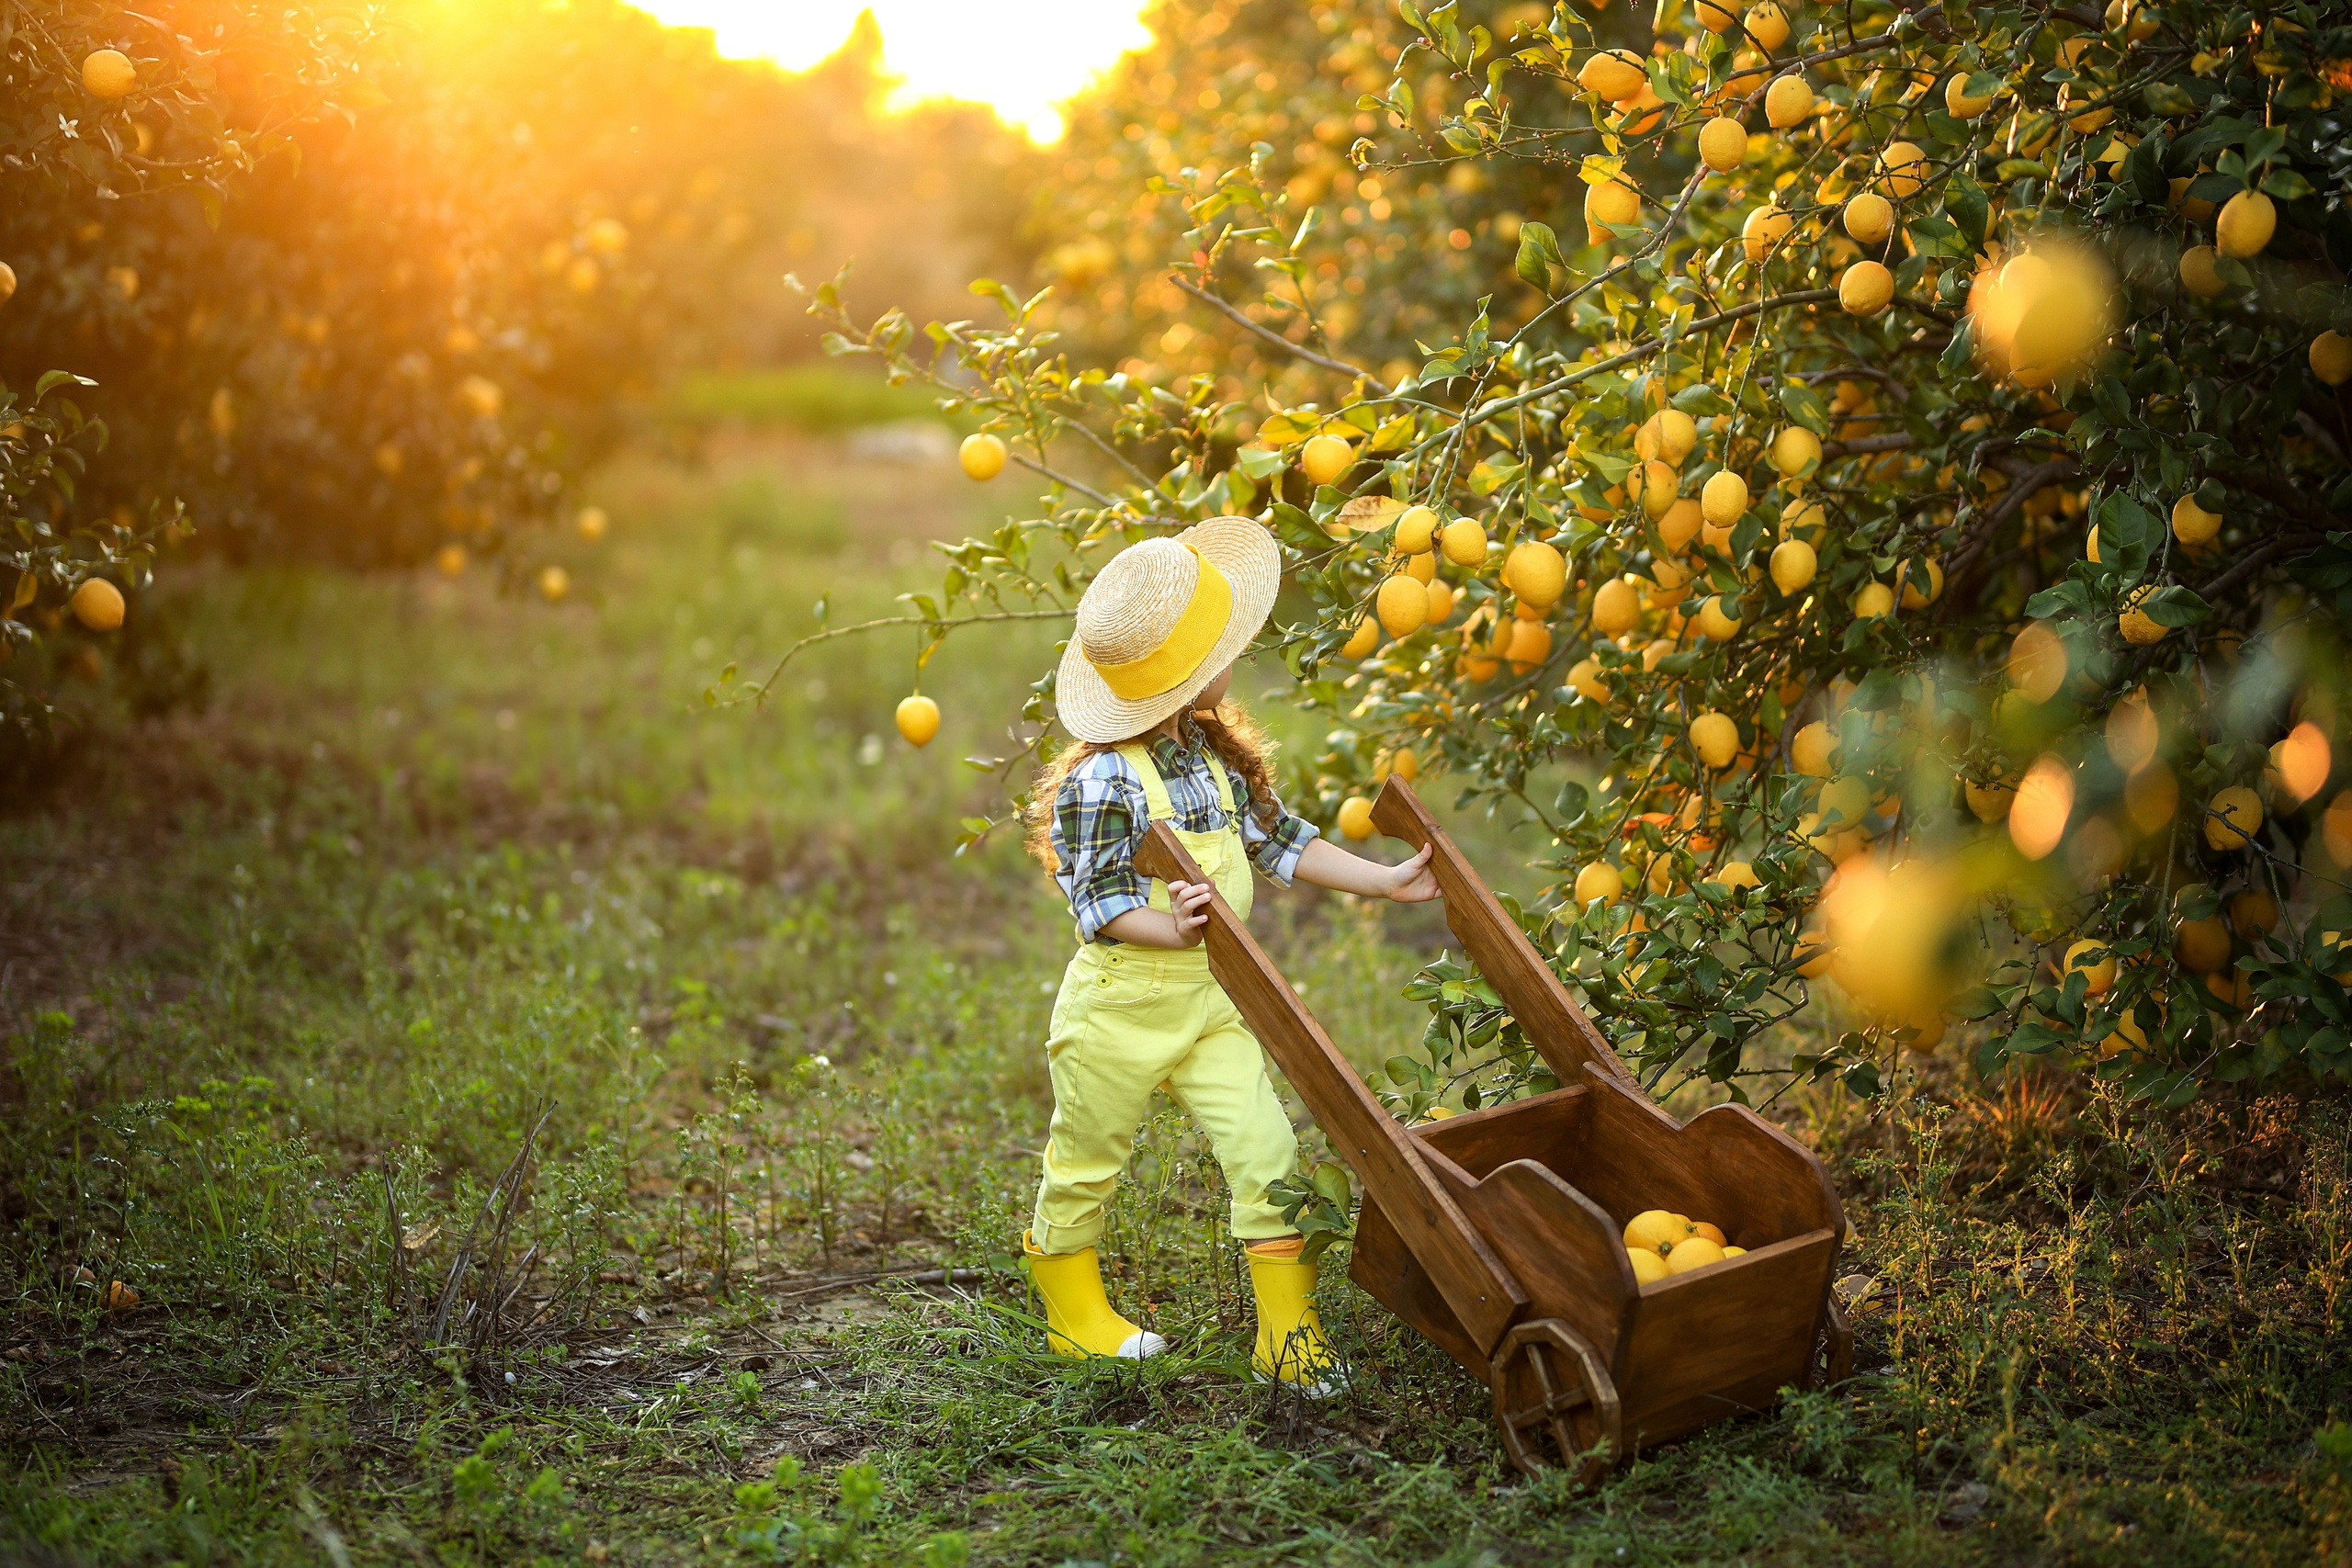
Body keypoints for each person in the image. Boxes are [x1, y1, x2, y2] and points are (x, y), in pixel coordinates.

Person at [1020, 515, 1439, 1391]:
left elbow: (1281, 841)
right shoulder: (1104, 778)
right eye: (1222, 644)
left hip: (1214, 1000)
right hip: (1120, 1007)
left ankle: (1285, 1336)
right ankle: (1073, 1312)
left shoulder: (1207, 753)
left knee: (1267, 1152)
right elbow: (1095, 901)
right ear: (1181, 673)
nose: (1236, 654)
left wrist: (1384, 879)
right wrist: (1167, 926)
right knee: (1088, 1155)